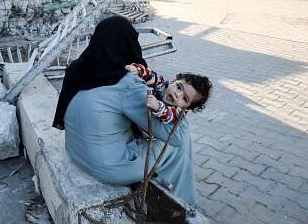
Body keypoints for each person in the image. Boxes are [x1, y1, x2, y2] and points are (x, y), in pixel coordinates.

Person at [54, 16, 212, 205]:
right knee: (178, 140)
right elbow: (176, 137)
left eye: (184, 97)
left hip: (76, 152)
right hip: (106, 168)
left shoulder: (78, 68)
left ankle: (160, 185)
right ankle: (181, 204)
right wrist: (181, 111)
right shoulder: (128, 84)